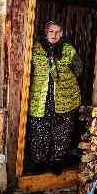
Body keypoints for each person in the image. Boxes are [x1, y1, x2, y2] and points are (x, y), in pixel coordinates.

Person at [27, 21, 83, 174]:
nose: (54, 35)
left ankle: (56, 162)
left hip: (64, 98)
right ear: (46, 33)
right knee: (39, 130)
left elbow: (78, 69)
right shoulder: (35, 49)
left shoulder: (68, 49)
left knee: (62, 131)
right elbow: (27, 71)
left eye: (57, 32)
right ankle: (39, 162)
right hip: (41, 99)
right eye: (51, 31)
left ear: (61, 34)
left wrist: (64, 81)